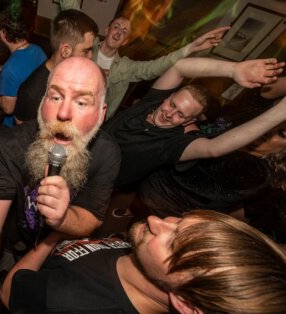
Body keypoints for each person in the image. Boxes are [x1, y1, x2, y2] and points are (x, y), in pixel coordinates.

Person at [0, 57, 121, 313]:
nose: (63, 113)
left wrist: (62, 220)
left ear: (101, 114)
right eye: (55, 96)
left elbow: (92, 216)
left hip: (62, 251)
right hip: (14, 240)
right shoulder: (10, 145)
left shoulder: (108, 154)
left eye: (82, 102)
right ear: (41, 103)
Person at [1, 210, 286, 314]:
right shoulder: (147, 263)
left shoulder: (67, 301)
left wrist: (55, 237)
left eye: (173, 243)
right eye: (180, 221)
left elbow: (9, 290)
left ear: (186, 304)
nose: (155, 220)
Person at [104, 57, 284, 187]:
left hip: (95, 182)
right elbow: (180, 67)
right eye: (172, 104)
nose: (169, 114)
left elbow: (213, 149)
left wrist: (279, 113)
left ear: (189, 121)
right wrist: (233, 70)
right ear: (169, 97)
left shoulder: (171, 144)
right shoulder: (153, 101)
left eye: (180, 115)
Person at [137, 77, 286, 218]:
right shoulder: (241, 128)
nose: (268, 132)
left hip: (160, 213)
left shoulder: (257, 173)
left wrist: (189, 129)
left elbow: (203, 155)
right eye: (271, 125)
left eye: (282, 133)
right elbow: (266, 90)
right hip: (142, 184)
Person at [60, 0, 231, 120]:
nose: (119, 32)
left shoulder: (126, 68)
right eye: (116, 27)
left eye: (124, 32)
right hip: (63, 105)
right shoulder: (87, 44)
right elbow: (73, 15)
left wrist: (191, 47)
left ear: (125, 41)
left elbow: (156, 67)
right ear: (108, 29)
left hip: (92, 121)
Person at [14, 9, 98, 124]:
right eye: (86, 51)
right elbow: (22, 134)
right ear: (66, 51)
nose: (91, 56)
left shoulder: (74, 75)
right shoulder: (31, 94)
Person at [0, 4, 47, 128]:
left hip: (15, 129)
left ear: (3, 33)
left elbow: (8, 109)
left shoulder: (10, 69)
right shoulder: (38, 49)